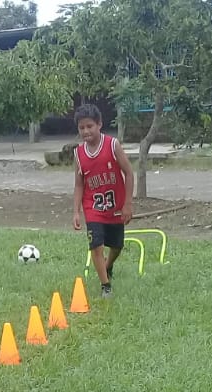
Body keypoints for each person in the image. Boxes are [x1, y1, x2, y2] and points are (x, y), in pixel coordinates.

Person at [71, 104, 134, 298]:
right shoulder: (78, 153)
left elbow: (129, 173)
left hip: (115, 206)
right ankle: (105, 285)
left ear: (99, 124)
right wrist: (76, 211)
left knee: (117, 245)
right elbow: (79, 185)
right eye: (81, 128)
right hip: (93, 208)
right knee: (96, 245)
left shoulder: (112, 145)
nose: (86, 131)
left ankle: (108, 265)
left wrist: (128, 204)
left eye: (89, 126)